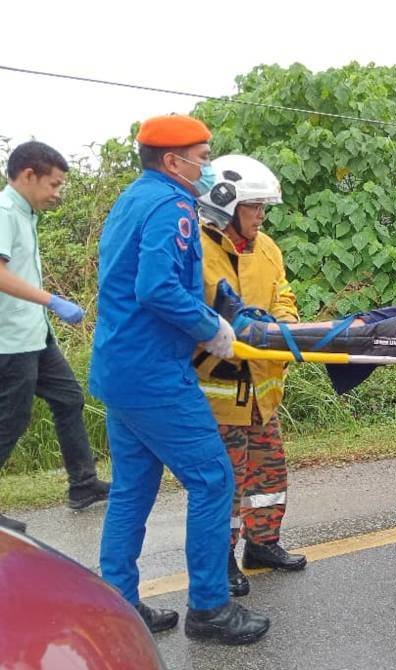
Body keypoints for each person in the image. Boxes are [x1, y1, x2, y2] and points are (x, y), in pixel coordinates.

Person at [90, 114, 269, 644]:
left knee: (130, 491)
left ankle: (119, 603)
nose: (208, 163)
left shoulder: (133, 198)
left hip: (120, 367)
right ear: (173, 161)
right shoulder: (173, 206)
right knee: (213, 479)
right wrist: (209, 326)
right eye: (202, 153)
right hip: (154, 373)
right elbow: (156, 288)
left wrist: (210, 310)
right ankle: (210, 609)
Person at [194, 155, 305, 597]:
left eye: (262, 206)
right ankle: (220, 557)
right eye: (253, 205)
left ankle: (262, 544)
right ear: (225, 206)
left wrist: (285, 324)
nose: (260, 214)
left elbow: (283, 295)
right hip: (221, 393)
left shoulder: (268, 248)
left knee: (270, 472)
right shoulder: (197, 250)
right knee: (229, 481)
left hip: (262, 391)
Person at [0, 141, 110, 533]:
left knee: (69, 398)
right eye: (54, 184)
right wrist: (53, 301)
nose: (58, 193)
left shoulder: (25, 212)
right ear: (28, 175)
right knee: (10, 420)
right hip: (9, 339)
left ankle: (83, 485)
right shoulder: (5, 210)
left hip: (34, 333)